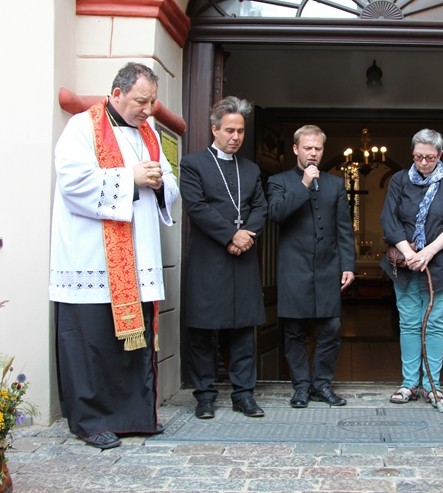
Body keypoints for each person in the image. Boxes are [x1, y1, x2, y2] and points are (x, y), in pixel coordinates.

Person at [49, 62, 179, 449]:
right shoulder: (82, 127)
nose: (148, 108)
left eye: (153, 101)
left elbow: (169, 182)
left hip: (137, 262)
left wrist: (158, 184)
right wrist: (131, 178)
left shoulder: (150, 132)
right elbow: (73, 182)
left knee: (133, 344)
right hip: (91, 260)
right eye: (142, 100)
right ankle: (91, 421)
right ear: (117, 93)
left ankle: (133, 416)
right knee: (93, 343)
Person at [180, 97, 267, 420]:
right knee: (203, 331)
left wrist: (246, 236)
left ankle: (243, 394)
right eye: (229, 130)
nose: (235, 137)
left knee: (243, 331)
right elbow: (196, 206)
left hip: (243, 258)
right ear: (214, 129)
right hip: (208, 259)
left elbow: (260, 207)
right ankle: (204, 395)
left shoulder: (251, 169)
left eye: (240, 131)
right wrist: (231, 235)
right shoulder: (193, 164)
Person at [379, 128, 443, 408]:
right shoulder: (398, 180)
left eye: (430, 158)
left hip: (440, 266)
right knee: (408, 324)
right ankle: (409, 384)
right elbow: (389, 220)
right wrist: (409, 253)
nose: (423, 163)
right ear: (412, 154)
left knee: (434, 325)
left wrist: (428, 251)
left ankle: (433, 385)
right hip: (404, 265)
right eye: (418, 157)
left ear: (440, 155)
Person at [266, 125, 355, 408]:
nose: (313, 153)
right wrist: (303, 183)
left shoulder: (336, 184)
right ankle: (301, 387)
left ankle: (321, 385)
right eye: (308, 148)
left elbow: (344, 228)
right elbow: (277, 214)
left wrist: (348, 264)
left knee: (331, 328)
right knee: (294, 331)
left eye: (317, 148)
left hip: (329, 268)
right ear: (296, 149)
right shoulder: (278, 181)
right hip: (294, 269)